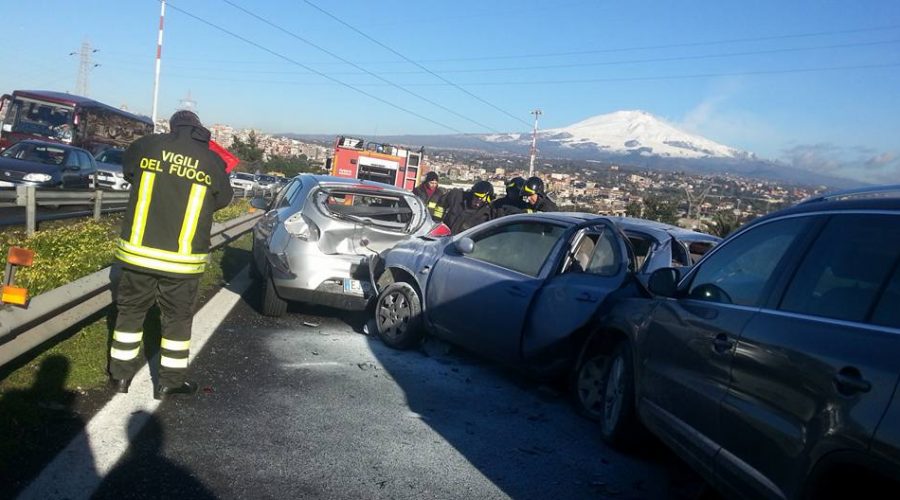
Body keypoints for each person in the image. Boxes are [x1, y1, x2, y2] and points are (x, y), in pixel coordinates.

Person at [109, 110, 234, 400]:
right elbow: (224, 199)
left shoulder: (149, 146)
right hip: (183, 261)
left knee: (130, 313)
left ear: (172, 126)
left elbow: (129, 171)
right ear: (199, 128)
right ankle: (169, 383)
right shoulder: (211, 161)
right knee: (177, 320)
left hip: (138, 254)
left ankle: (120, 377)